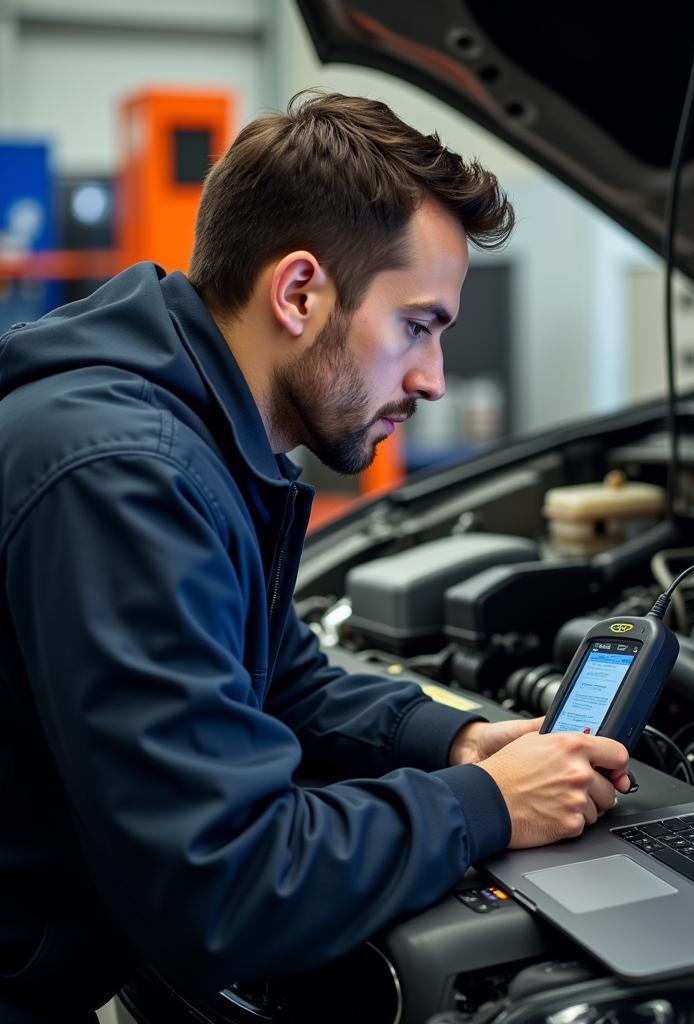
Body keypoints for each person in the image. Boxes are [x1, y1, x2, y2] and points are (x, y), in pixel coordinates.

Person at [0, 91, 632, 1022]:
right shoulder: (129, 474)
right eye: (418, 325)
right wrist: (484, 804)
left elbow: (276, 676)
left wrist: (453, 738)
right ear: (299, 292)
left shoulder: (193, 427)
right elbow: (229, 886)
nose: (433, 379)